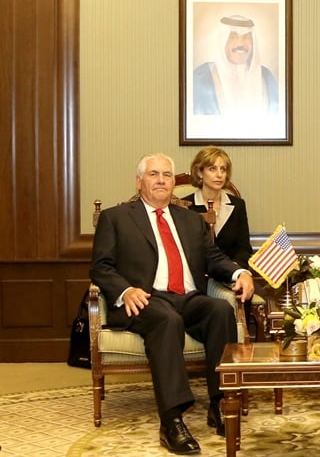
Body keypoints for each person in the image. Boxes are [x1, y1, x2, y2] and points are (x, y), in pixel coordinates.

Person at [90, 152, 254, 455]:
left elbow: (214, 258)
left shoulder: (191, 219)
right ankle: (172, 421)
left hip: (187, 297)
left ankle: (220, 404)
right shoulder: (117, 217)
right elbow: (100, 267)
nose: (162, 180)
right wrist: (125, 291)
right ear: (139, 182)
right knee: (167, 319)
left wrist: (240, 272)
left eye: (167, 175)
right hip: (144, 299)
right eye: (154, 174)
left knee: (220, 310)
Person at [181, 146, 255, 313]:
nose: (219, 174)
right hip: (197, 278)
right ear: (200, 173)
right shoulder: (184, 206)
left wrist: (235, 269)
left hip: (229, 276)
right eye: (212, 169)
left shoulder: (237, 205)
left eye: (223, 169)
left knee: (243, 289)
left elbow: (244, 248)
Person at [193, 14, 279, 117]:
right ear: (222, 41)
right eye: (233, 37)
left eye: (247, 37)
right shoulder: (200, 76)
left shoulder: (266, 76)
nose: (240, 43)